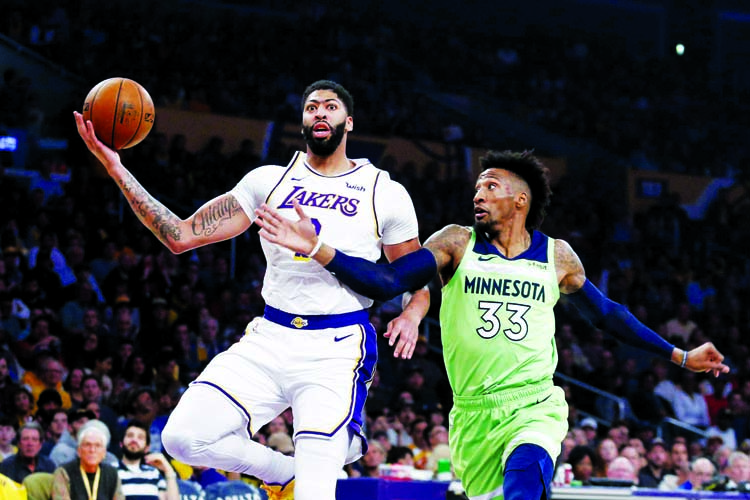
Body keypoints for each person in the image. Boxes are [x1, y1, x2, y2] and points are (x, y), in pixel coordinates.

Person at [254, 149, 731, 500]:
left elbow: (607, 315)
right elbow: (386, 281)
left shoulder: (557, 255)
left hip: (534, 403)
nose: (478, 194)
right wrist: (319, 249)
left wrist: (680, 355)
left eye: (491, 186)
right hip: (472, 414)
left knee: (526, 476)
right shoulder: (455, 243)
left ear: (520, 200)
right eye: (477, 186)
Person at [74, 79, 428, 500]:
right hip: (269, 336)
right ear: (302, 120)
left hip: (334, 347)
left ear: (347, 122)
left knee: (316, 493)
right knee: (182, 438)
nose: (320, 113)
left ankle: (308, 474)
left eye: (330, 107)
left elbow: (414, 274)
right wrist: (116, 168)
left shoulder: (382, 191)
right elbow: (180, 236)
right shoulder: (267, 181)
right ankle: (281, 471)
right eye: (312, 107)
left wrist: (413, 312)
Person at [51, 421, 124, 499]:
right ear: (79, 451)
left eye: (98, 445)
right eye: (87, 445)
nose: (92, 450)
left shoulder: (112, 474)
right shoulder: (63, 472)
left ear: (104, 453)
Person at [117, 420, 178, 500]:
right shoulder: (111, 471)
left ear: (147, 448)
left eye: (140, 437)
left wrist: (168, 470)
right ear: (121, 443)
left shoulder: (153, 473)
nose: (134, 440)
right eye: (130, 435)